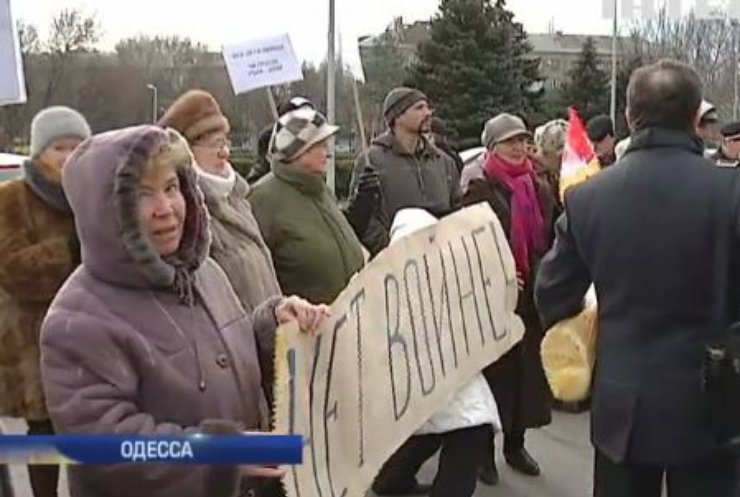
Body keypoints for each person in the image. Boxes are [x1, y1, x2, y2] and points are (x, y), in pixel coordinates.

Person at [40, 125, 329, 497]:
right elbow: (107, 448)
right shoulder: (76, 320)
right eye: (143, 195)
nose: (166, 210)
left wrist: (273, 324)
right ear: (105, 211)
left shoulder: (204, 271)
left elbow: (225, 347)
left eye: (171, 188)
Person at [535, 59, 740, 497]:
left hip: (622, 403)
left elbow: (551, 294)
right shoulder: (731, 192)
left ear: (629, 116)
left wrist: (587, 326)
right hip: (716, 400)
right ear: (694, 118)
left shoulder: (587, 198)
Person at [157, 90, 282, 404]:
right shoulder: (187, 216)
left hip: (269, 352)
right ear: (186, 150)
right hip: (233, 369)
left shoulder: (237, 198)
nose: (225, 151)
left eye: (226, 140)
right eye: (214, 144)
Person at [371, 208, 501, 497]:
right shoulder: (400, 279)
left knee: (434, 429)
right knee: (469, 428)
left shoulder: (435, 269)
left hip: (440, 378)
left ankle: (391, 481)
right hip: (432, 378)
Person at [0, 106, 91, 497]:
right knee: (44, 429)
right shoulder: (11, 198)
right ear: (39, 153)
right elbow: (12, 267)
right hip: (31, 338)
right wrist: (68, 250)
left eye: (77, 147)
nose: (69, 157)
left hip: (91, 333)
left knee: (93, 427)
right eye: (59, 147)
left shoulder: (94, 196)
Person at [461, 113, 555, 486]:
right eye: (509, 142)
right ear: (491, 147)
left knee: (528, 377)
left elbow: (549, 237)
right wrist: (496, 272)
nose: (518, 148)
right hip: (491, 298)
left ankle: (516, 444)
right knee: (493, 377)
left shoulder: (538, 185)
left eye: (522, 140)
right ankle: (484, 451)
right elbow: (466, 242)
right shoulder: (477, 184)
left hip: (530, 295)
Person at [249, 106, 365, 305]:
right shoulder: (262, 199)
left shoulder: (322, 191)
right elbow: (254, 278)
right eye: (319, 145)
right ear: (298, 151)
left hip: (348, 323)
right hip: (303, 328)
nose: (327, 152)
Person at [350, 87, 461, 257]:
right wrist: (390, 249)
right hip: (396, 264)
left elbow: (457, 208)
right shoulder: (371, 161)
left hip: (443, 258)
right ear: (397, 116)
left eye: (427, 107)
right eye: (419, 108)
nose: (428, 113)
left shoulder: (443, 162)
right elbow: (363, 217)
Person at [533, 119, 568, 214]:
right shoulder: (547, 178)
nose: (537, 157)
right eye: (537, 150)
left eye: (545, 153)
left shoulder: (575, 183)